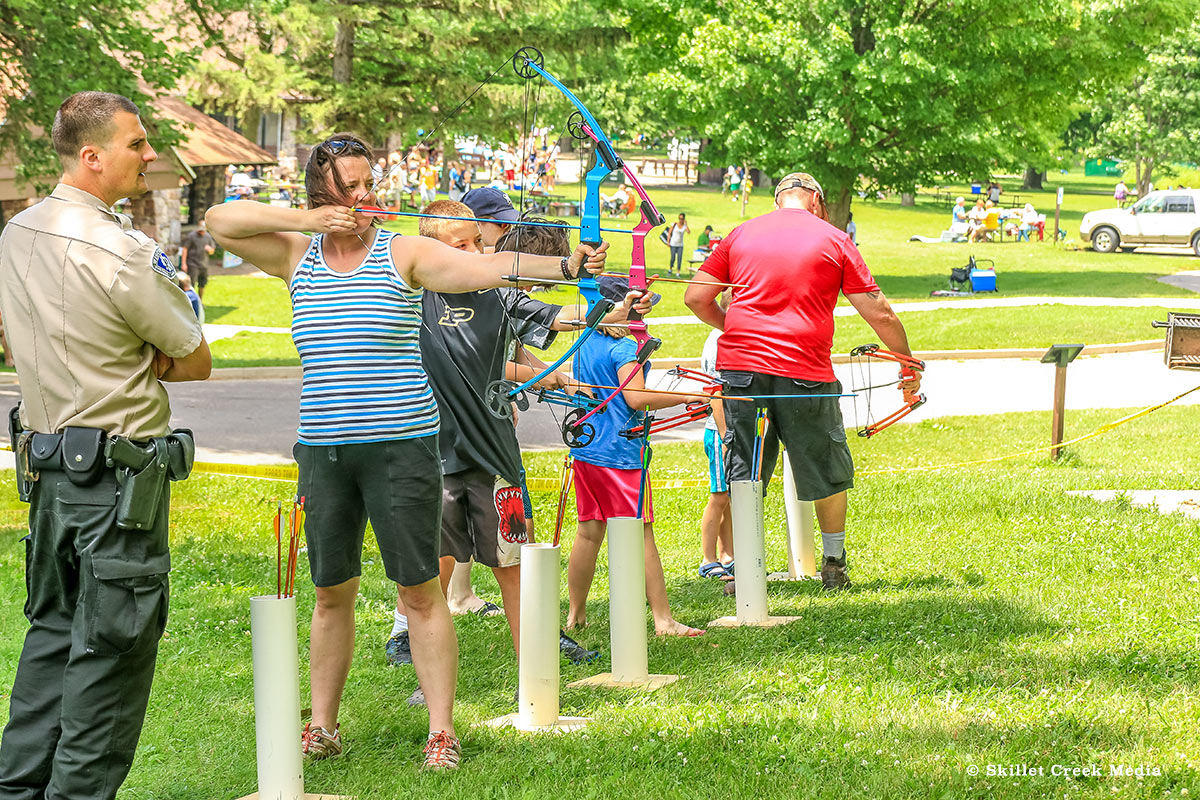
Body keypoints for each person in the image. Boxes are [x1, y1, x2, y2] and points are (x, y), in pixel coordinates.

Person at [205, 132, 608, 770]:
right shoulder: (295, 254)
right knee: (330, 591)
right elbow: (219, 220)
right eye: (352, 187)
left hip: (402, 448)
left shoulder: (404, 253)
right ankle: (323, 725)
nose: (368, 196)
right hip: (325, 452)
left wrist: (567, 268)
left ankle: (441, 730)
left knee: (421, 591)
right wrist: (308, 220)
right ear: (322, 191)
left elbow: (485, 269)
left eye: (371, 184)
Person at [0, 90, 211, 800]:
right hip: (118, 490)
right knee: (111, 653)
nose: (149, 155)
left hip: (51, 480)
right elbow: (193, 354)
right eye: (136, 143)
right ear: (92, 157)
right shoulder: (117, 250)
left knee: (51, 639)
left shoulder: (17, 231)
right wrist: (138, 358)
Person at [387, 201, 632, 682]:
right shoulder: (409, 296)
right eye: (461, 245)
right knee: (429, 570)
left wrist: (610, 308)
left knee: (513, 567)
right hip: (430, 454)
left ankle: (534, 681)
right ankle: (424, 670)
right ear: (431, 250)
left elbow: (563, 314)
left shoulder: (499, 294)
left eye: (479, 242)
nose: (476, 252)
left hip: (493, 455)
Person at [684, 171, 920, 591]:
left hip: (742, 374)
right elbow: (879, 311)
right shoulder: (833, 239)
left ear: (778, 201)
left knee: (746, 468)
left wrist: (732, 330)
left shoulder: (739, 235)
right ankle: (833, 564)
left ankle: (748, 569)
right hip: (805, 374)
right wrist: (907, 363)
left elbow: (695, 297)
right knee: (827, 469)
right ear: (815, 200)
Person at [566, 277, 706, 637]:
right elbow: (636, 398)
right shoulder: (622, 349)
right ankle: (664, 620)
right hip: (620, 456)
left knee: (588, 533)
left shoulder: (583, 343)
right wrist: (688, 395)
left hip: (587, 451)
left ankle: (576, 614)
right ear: (618, 309)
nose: (644, 312)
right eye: (638, 306)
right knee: (642, 535)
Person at [697, 294, 733, 579]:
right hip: (720, 432)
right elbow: (715, 393)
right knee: (718, 496)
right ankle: (708, 559)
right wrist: (725, 435)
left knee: (729, 496)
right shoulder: (720, 340)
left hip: (728, 432)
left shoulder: (728, 335)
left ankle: (729, 554)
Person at [180, 221, 216, 300]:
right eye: (200, 230)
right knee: (191, 284)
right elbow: (185, 249)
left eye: (203, 230)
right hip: (193, 264)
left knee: (202, 284)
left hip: (204, 264)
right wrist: (184, 264)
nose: (201, 232)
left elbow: (212, 250)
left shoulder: (208, 237)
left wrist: (210, 249)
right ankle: (191, 301)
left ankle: (200, 302)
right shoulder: (191, 236)